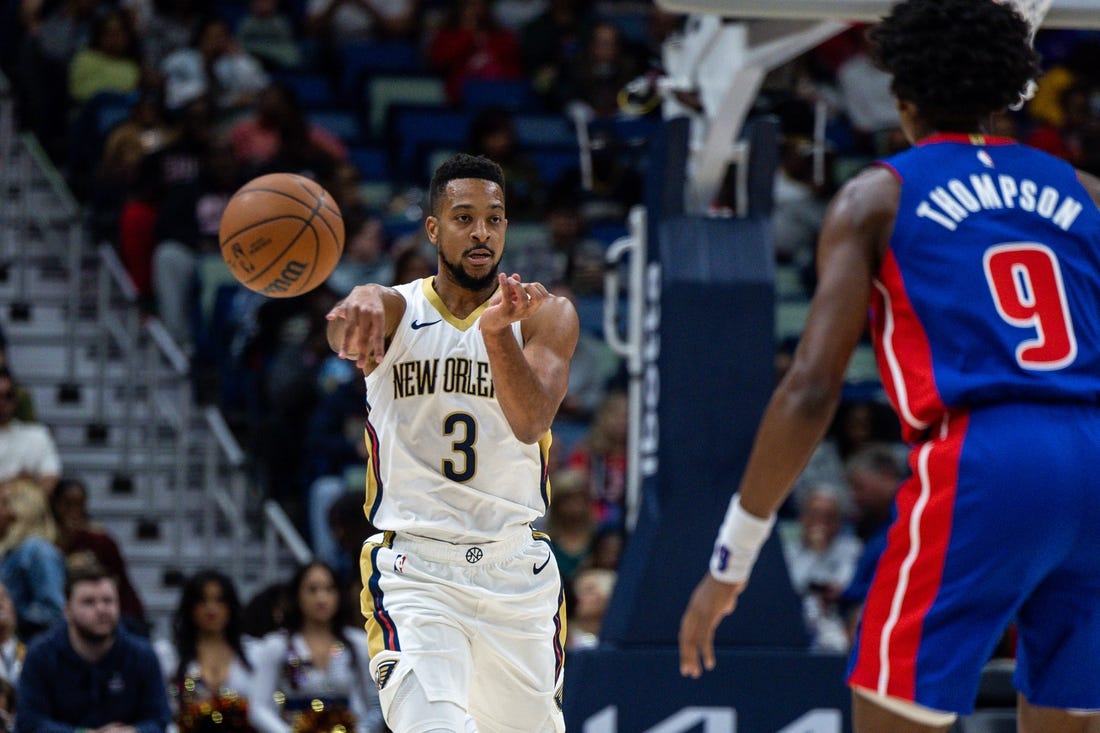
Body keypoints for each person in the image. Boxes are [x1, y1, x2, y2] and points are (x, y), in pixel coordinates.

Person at [678, 1, 1100, 731]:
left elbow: (811, 389)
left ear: (902, 99)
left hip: (988, 457)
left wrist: (732, 558)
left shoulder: (879, 193)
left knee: (894, 712)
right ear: (1007, 92)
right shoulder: (1087, 192)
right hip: (1094, 455)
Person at [325, 152, 579, 731]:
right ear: (434, 229)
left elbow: (531, 421)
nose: (481, 232)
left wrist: (496, 335)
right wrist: (357, 297)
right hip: (418, 573)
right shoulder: (397, 310)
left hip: (515, 574)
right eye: (464, 218)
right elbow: (344, 329)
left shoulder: (545, 316)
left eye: (494, 218)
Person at [15, 561, 171, 732]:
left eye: (108, 601)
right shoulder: (41, 654)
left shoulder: (142, 654)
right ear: (67, 611)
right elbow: (29, 722)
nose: (101, 609)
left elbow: (159, 719)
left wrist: (133, 731)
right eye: (89, 602)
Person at [248, 561, 384, 733]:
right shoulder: (276, 646)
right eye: (312, 590)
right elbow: (259, 708)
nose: (322, 598)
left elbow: (375, 705)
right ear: (297, 595)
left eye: (329, 589)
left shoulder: (358, 643)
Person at [155, 569, 255, 731]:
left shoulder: (253, 652)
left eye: (219, 600)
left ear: (231, 606)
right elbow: (162, 712)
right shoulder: (169, 654)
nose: (211, 609)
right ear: (190, 607)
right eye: (202, 601)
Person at [50, 477, 148, 634]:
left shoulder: (100, 540)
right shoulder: (45, 543)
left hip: (118, 613)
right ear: (55, 505)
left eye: (79, 504)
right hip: (66, 613)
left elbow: (120, 583)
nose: (74, 511)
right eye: (67, 504)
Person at [0, 479, 66, 641]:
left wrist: (11, 616)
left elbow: (53, 610)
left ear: (20, 510)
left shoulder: (38, 551)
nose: (2, 510)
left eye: (5, 503)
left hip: (28, 650)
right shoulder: (12, 552)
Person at [0, 369, 61, 495]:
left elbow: (49, 478)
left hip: (26, 510)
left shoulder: (38, 435)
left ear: (16, 399)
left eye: (8, 395)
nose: (3, 402)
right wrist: (17, 484)